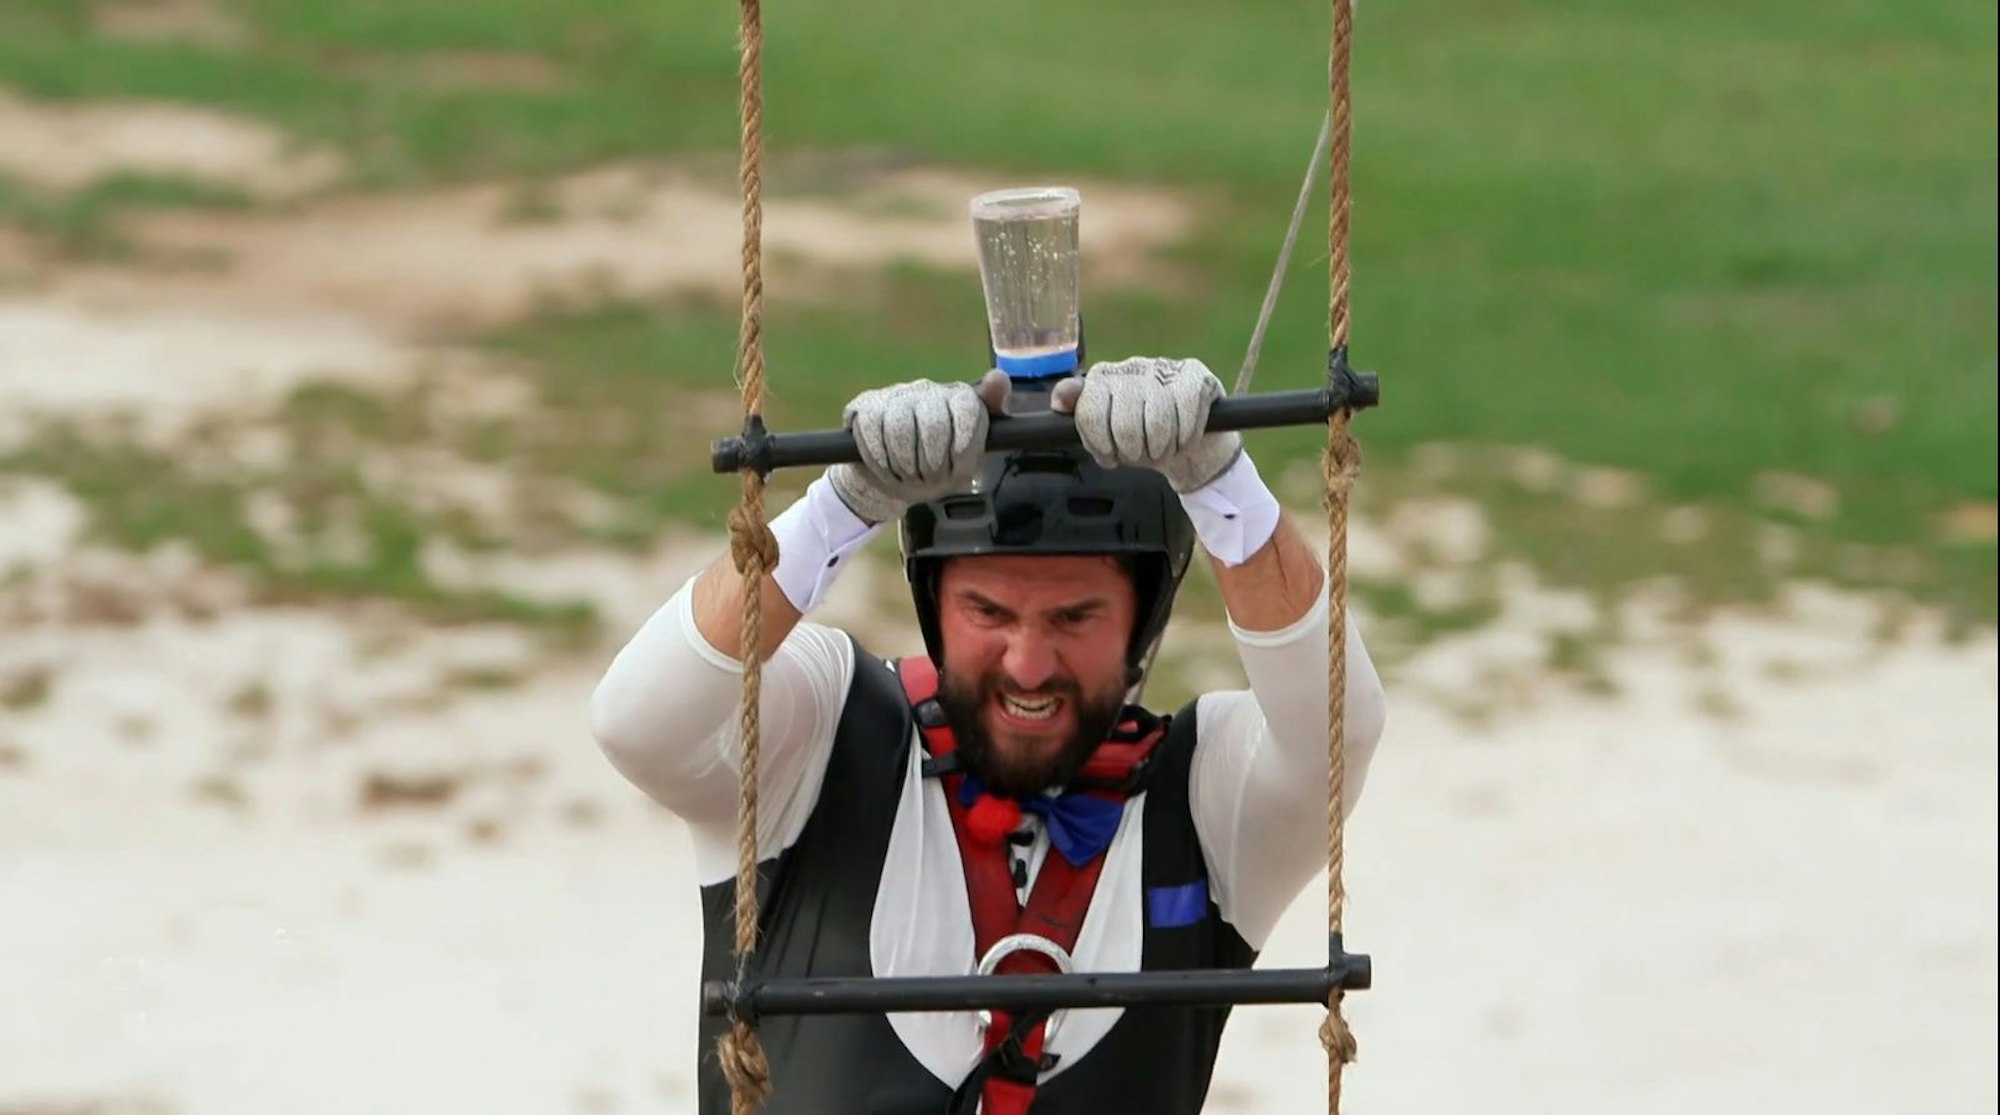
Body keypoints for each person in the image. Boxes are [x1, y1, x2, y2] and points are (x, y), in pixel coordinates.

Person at [589, 355, 1388, 1114]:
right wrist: (846, 503)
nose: (1030, 663)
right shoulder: (825, 735)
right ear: (934, 609)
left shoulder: (1206, 806)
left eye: (1075, 616)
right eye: (988, 613)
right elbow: (639, 722)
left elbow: (1337, 731)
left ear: (1141, 622)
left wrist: (1218, 480)